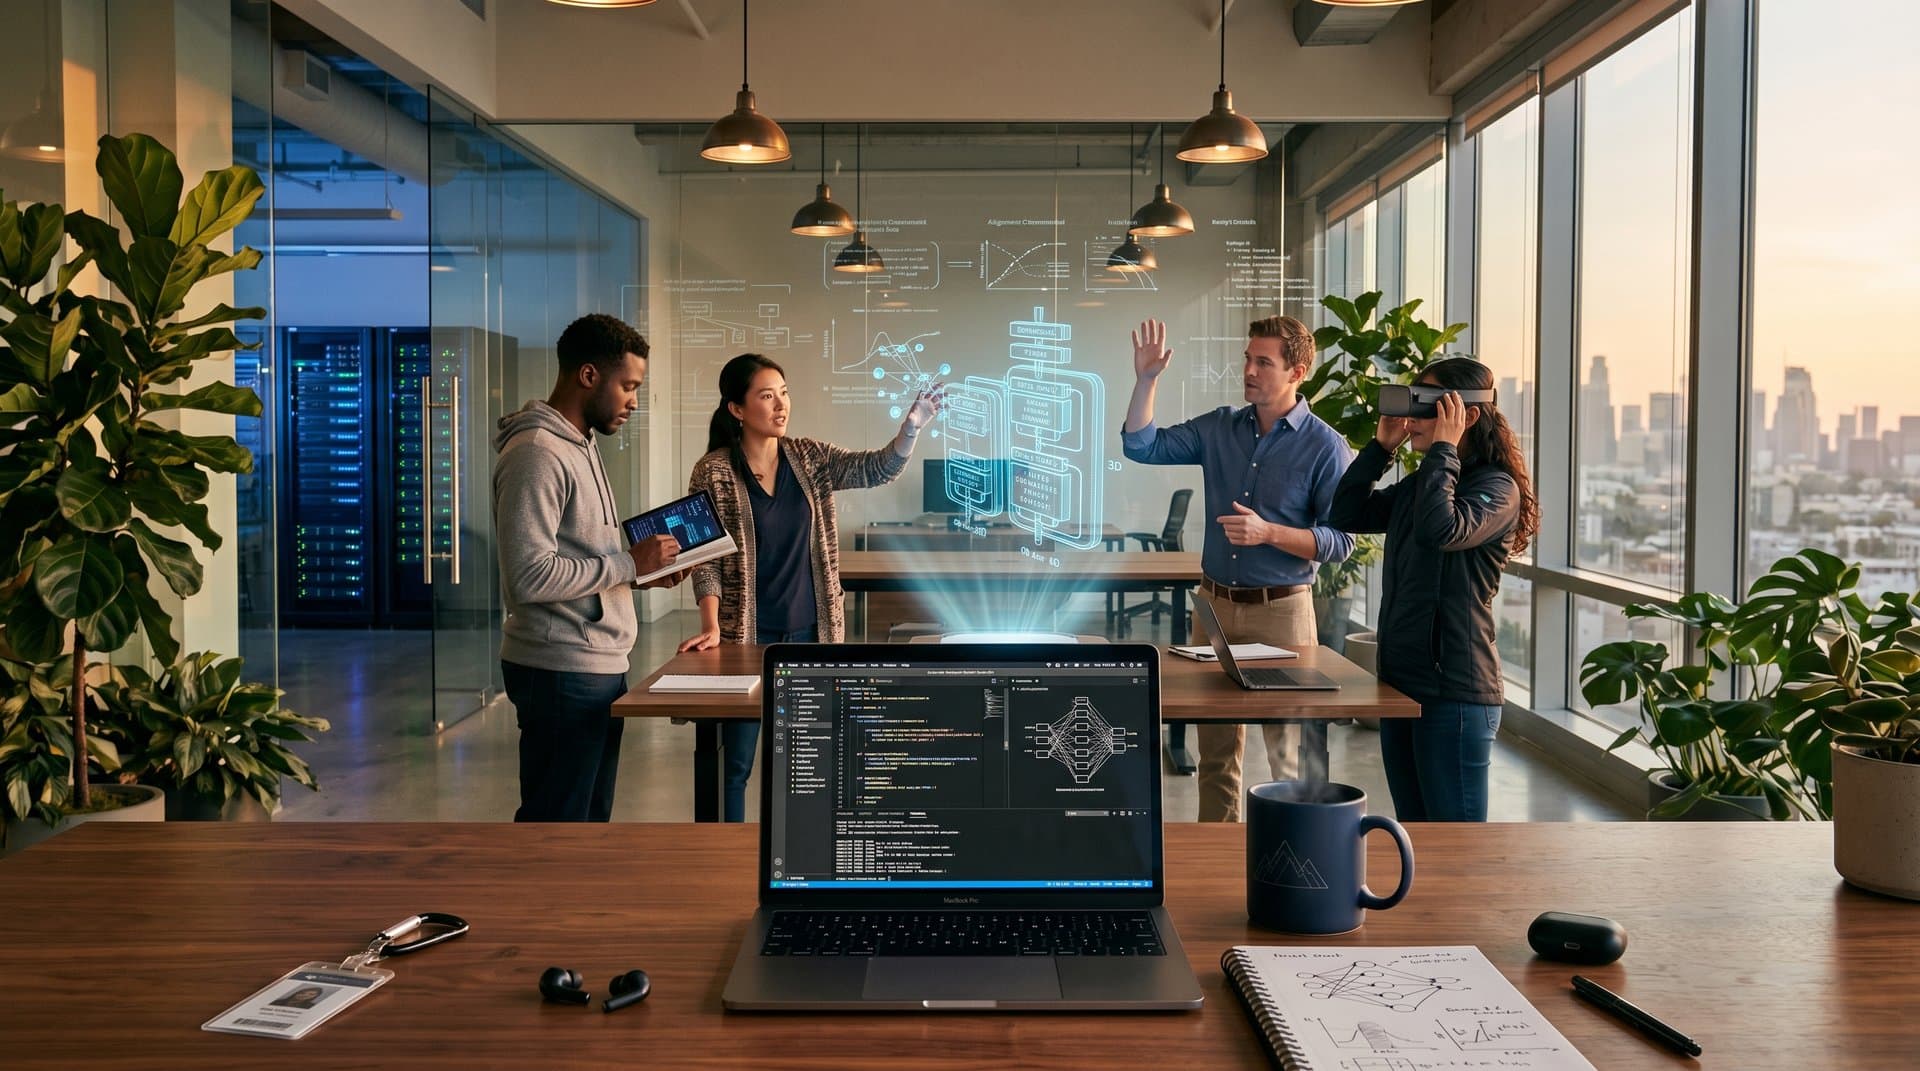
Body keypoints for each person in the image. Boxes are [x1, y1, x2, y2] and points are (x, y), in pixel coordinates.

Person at [679, 354, 944, 821]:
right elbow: (705, 559)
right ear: (737, 409)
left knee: (808, 765)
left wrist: (911, 429)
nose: (781, 405)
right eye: (766, 396)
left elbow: (875, 469)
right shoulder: (713, 471)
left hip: (811, 634)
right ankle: (731, 853)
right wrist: (711, 624)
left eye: (784, 393)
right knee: (735, 765)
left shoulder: (810, 457)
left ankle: (800, 851)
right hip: (745, 639)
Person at [1121, 317, 1355, 822]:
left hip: (1282, 613)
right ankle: (1219, 855)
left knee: (1287, 760)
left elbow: (1341, 542)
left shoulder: (1326, 446)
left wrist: (1269, 532)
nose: (1248, 370)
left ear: (1297, 372)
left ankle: (1294, 858)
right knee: (1216, 756)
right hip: (1215, 610)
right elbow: (1141, 445)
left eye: (1263, 362)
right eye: (1248, 359)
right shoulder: (1220, 427)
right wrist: (1146, 381)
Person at [494, 313, 689, 823]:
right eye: (629, 386)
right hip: (559, 668)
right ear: (588, 375)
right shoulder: (537, 453)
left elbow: (580, 555)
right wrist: (628, 562)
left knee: (588, 826)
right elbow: (528, 575)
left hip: (594, 664)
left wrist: (641, 573)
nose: (634, 401)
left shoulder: (581, 444)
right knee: (558, 827)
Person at [1327, 357, 1538, 822]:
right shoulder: (1426, 483)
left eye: (1428, 406)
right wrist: (1380, 448)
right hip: (1401, 686)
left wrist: (1443, 448)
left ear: (1468, 415)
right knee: (1416, 833)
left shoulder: (1496, 488)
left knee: (1455, 845)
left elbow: (1441, 530)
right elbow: (1345, 515)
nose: (1413, 418)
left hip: (1454, 694)